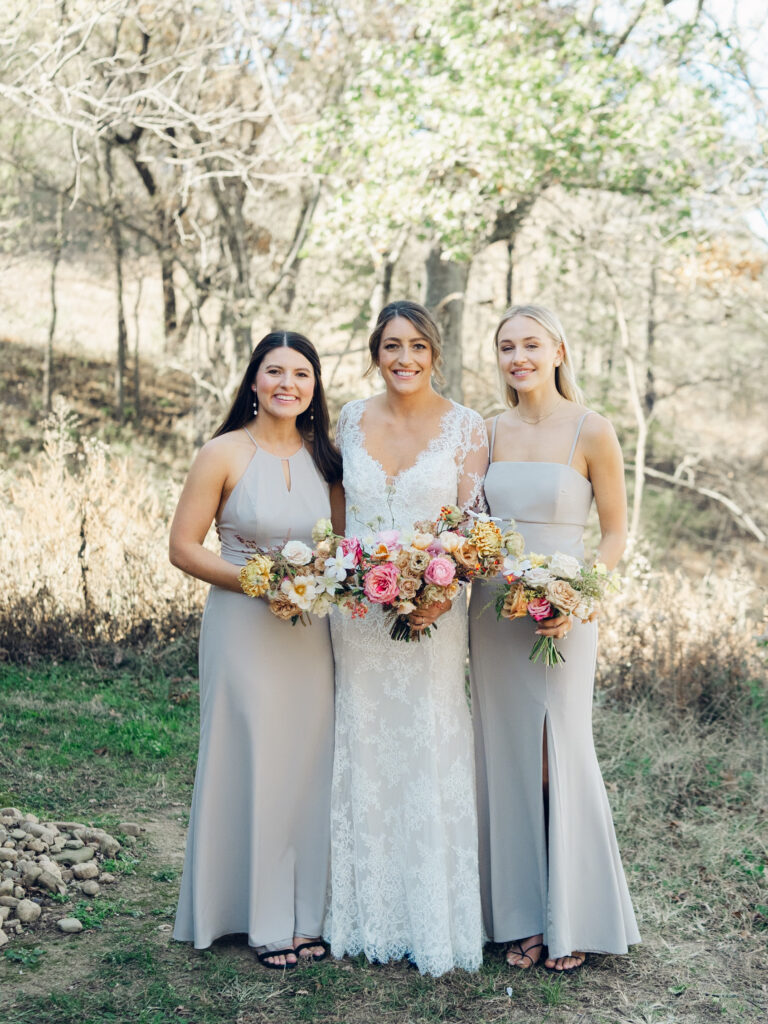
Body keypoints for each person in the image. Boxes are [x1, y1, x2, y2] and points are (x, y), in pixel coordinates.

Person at [469, 304, 640, 973]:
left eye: (531, 345)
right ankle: (517, 917)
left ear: (559, 350)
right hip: (496, 611)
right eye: (507, 347)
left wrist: (580, 592)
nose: (519, 358)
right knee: (507, 752)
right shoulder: (486, 431)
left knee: (556, 751)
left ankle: (571, 915)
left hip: (567, 609)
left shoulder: (593, 431)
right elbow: (471, 518)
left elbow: (617, 532)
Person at [324, 300, 487, 977]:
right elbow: (340, 520)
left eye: (417, 346)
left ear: (436, 353)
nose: (404, 359)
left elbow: (475, 529)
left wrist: (438, 592)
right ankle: (365, 916)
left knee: (429, 742)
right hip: (357, 617)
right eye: (392, 346)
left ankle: (435, 921)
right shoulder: (350, 418)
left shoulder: (468, 427)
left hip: (434, 613)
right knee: (363, 741)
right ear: (375, 351)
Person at [170, 331, 342, 969]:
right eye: (275, 372)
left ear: (314, 387)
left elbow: (340, 549)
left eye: (301, 374)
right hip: (243, 625)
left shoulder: (329, 460)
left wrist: (319, 581)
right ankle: (256, 917)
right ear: (253, 381)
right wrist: (257, 580)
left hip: (311, 632)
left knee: (305, 765)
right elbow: (184, 547)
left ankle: (306, 915)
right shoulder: (222, 453)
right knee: (252, 757)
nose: (288, 384)